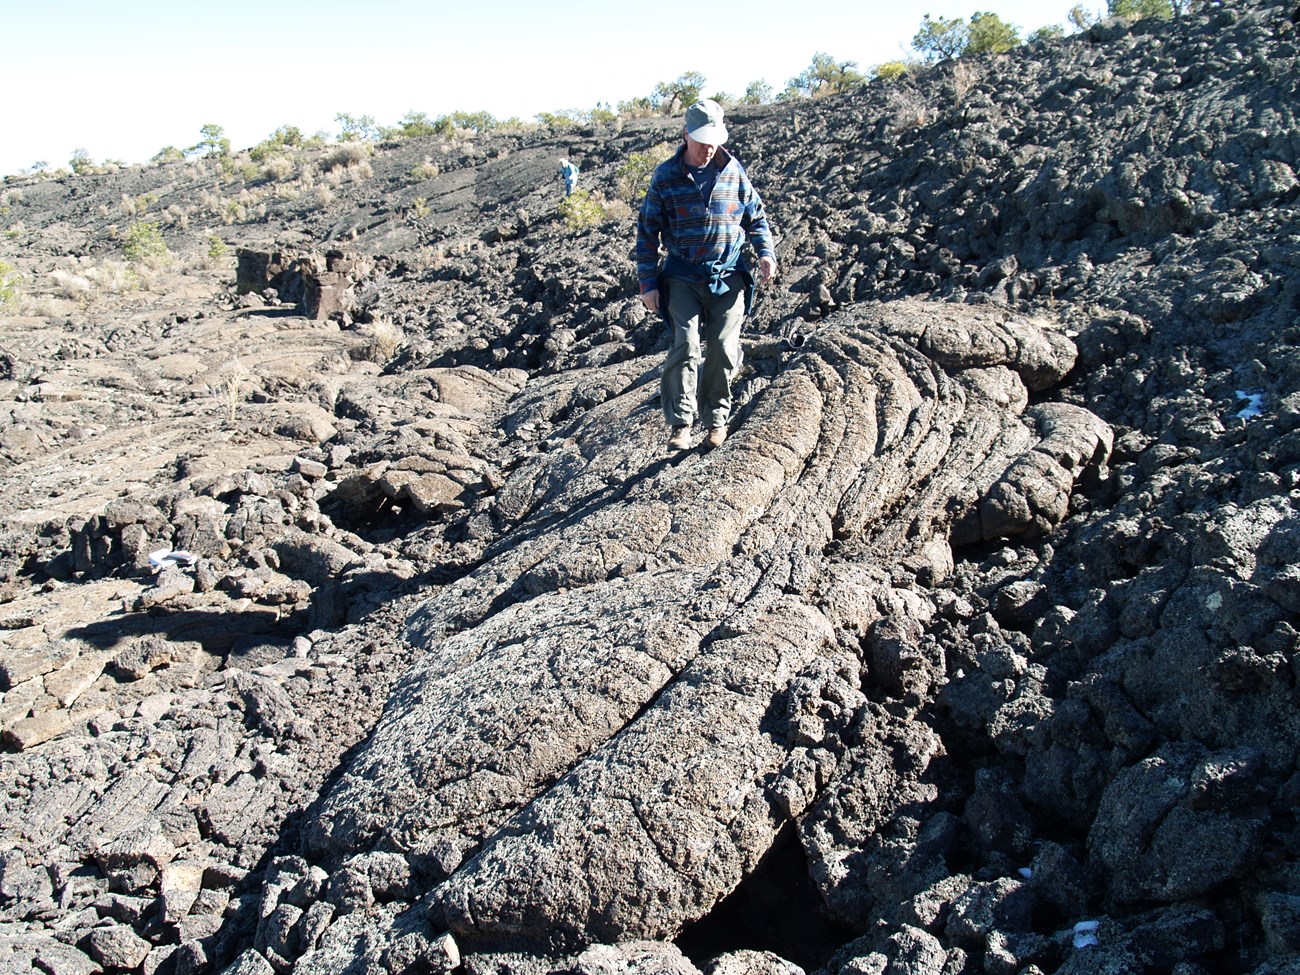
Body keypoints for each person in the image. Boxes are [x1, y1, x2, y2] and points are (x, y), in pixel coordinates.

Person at [635, 98, 777, 452]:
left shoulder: (733, 170)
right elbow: (647, 232)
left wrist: (765, 253)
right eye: (701, 142)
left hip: (728, 275)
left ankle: (716, 420)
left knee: (724, 348)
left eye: (713, 141)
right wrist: (648, 284)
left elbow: (755, 218)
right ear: (685, 135)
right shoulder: (666, 178)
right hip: (682, 275)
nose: (707, 149)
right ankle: (681, 423)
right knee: (684, 343)